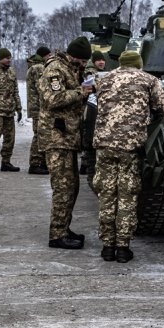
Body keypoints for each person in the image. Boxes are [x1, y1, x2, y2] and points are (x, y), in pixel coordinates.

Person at [91, 49, 164, 262]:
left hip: (104, 144)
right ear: (138, 63)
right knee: (127, 195)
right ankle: (123, 248)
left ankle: (107, 246)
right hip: (130, 146)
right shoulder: (148, 79)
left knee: (107, 193)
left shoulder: (104, 79)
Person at [42, 37, 95, 248]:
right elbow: (53, 99)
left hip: (68, 137)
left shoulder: (70, 69)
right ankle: (57, 235)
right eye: (82, 61)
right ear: (74, 56)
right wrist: (80, 92)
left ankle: (63, 227)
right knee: (63, 187)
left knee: (72, 187)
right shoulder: (55, 69)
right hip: (57, 137)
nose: (83, 65)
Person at [26, 44, 51, 174]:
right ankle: (35, 163)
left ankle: (40, 162)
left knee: (40, 134)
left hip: (37, 106)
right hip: (39, 107)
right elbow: (42, 87)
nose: (50, 58)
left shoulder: (35, 66)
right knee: (39, 135)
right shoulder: (38, 68)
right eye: (48, 55)